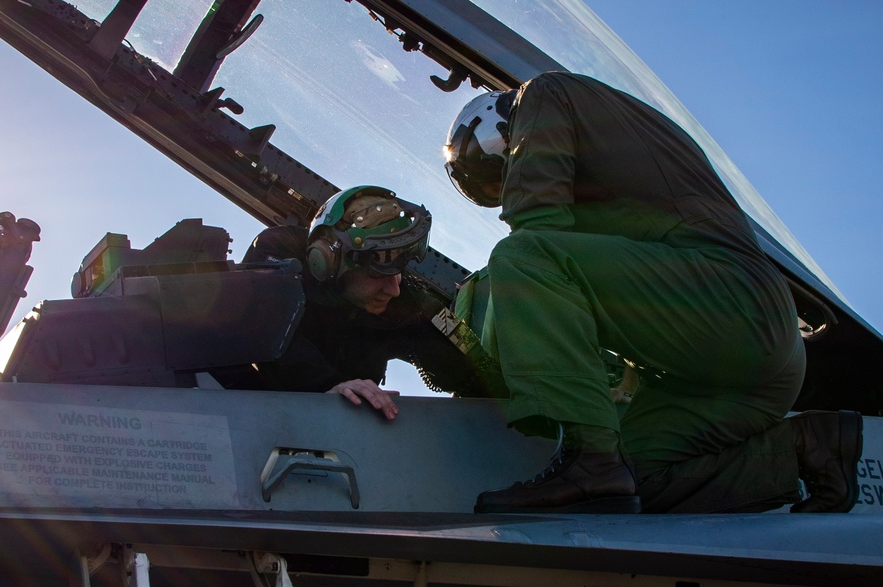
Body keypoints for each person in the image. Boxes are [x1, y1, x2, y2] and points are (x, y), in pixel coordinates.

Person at [443, 71, 862, 514]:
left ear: (495, 133)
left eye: (499, 180)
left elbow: (537, 229)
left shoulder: (544, 95)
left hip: (730, 306)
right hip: (745, 369)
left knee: (523, 255)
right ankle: (804, 449)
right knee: (633, 482)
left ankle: (589, 458)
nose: (505, 192)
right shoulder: (610, 148)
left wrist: (522, 341)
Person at [243, 185, 505, 418]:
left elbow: (473, 365)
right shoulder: (281, 251)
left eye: (398, 272)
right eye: (376, 275)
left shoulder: (406, 304)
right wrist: (326, 385)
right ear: (325, 263)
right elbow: (262, 325)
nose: (393, 290)